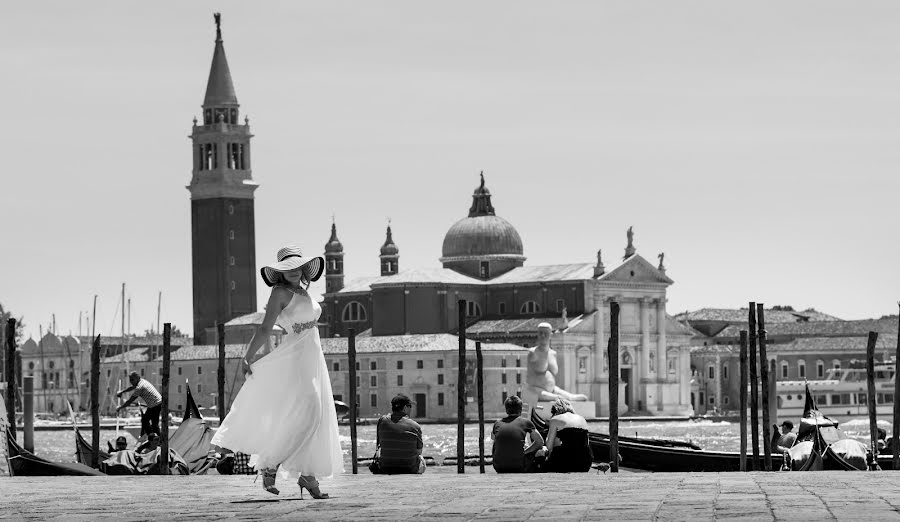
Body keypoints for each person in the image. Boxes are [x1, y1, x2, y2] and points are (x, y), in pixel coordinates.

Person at [210, 245, 342, 498]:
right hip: (295, 356)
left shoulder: (303, 291)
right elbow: (265, 329)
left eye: (297, 267)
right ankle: (274, 464)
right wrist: (248, 357)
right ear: (280, 272)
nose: (293, 271)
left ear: (304, 269)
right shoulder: (279, 292)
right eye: (287, 268)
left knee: (316, 413)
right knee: (312, 411)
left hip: (313, 356)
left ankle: (307, 475)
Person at [523, 323, 588, 414]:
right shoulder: (533, 353)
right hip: (535, 390)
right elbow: (541, 367)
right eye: (540, 333)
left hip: (553, 389)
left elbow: (553, 372)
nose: (542, 335)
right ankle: (563, 398)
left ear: (550, 335)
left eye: (545, 333)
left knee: (569, 397)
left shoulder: (553, 353)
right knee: (558, 398)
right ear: (537, 334)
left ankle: (570, 397)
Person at [370, 394, 425, 474]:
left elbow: (380, 444)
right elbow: (419, 452)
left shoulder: (382, 421)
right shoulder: (415, 426)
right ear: (405, 407)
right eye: (410, 406)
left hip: (385, 468)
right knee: (421, 459)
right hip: (409, 469)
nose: (411, 409)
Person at [491, 395, 545, 473]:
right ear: (521, 410)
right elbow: (540, 442)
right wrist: (526, 450)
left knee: (495, 442)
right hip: (519, 466)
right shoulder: (526, 422)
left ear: (506, 410)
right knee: (543, 450)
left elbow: (493, 439)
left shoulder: (497, 424)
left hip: (498, 467)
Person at [544, 398, 592, 473]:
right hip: (585, 463)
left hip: (565, 462)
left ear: (555, 410)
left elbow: (549, 447)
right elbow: (587, 443)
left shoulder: (555, 419)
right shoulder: (582, 419)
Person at [116, 371, 162, 439]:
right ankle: (152, 436)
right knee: (145, 420)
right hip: (154, 404)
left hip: (155, 404)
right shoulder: (142, 381)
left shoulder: (140, 387)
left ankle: (156, 439)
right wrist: (122, 392)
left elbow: (130, 401)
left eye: (132, 380)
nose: (131, 381)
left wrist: (120, 407)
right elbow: (132, 387)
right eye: (130, 380)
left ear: (137, 378)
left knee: (152, 423)